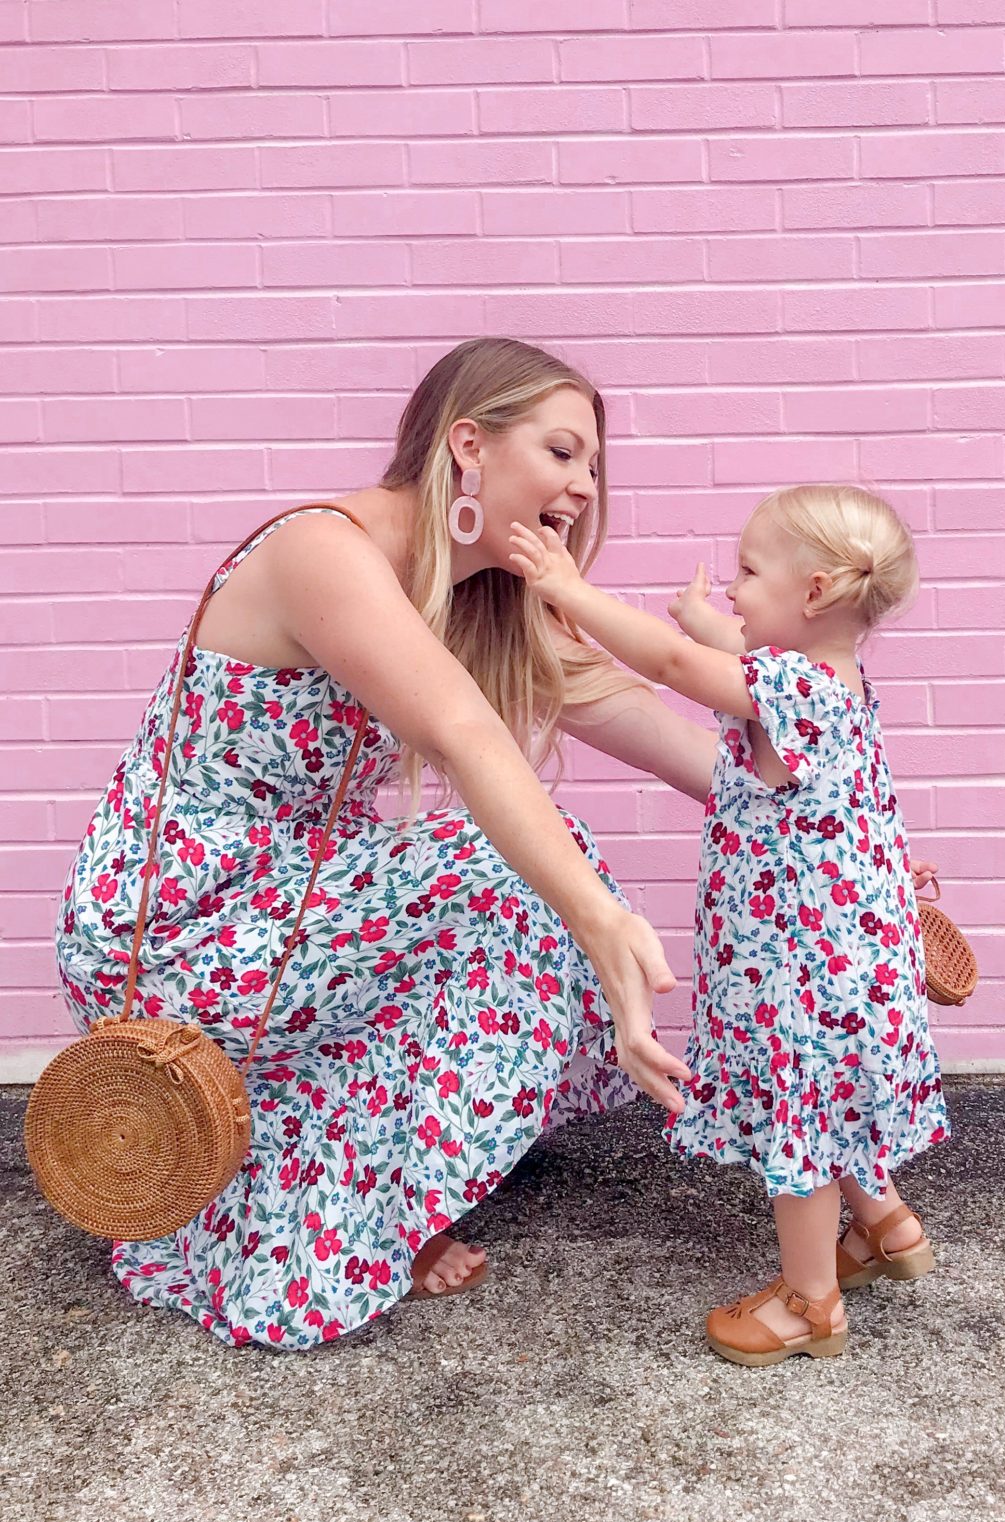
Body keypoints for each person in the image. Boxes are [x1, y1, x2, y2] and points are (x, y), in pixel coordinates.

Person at [55, 338, 720, 1350]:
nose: (585, 486)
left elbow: (662, 736)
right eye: (561, 451)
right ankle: (366, 1207)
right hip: (175, 929)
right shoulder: (323, 551)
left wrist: (841, 838)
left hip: (285, 907)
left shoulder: (475, 601)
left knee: (522, 867)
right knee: (514, 873)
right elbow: (464, 730)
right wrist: (600, 918)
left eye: (595, 464)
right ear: (468, 446)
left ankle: (380, 1189)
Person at [508, 483, 949, 1367]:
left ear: (815, 591)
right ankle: (887, 1228)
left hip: (805, 980)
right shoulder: (834, 683)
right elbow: (727, 657)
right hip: (850, 966)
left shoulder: (786, 687)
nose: (734, 591)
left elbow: (676, 667)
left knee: (806, 1138)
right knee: (834, 1113)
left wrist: (570, 591)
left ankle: (811, 1302)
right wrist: (703, 619)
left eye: (749, 572)